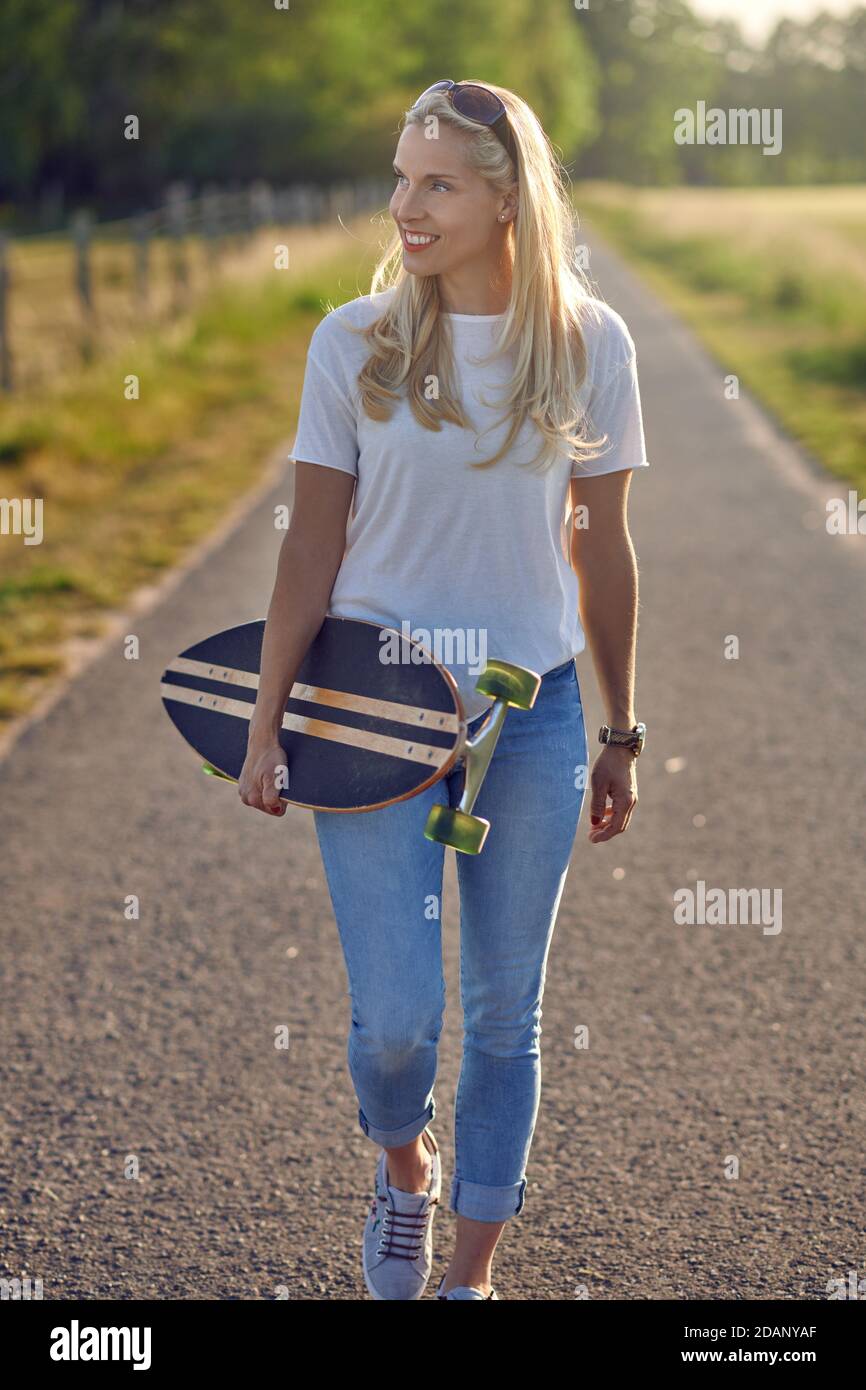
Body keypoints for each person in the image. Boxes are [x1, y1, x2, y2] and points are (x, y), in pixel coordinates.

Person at [239, 79, 650, 1301]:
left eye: (436, 184)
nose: (401, 206)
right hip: (370, 714)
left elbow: (603, 546)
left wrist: (620, 730)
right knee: (397, 1022)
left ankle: (469, 1272)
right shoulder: (352, 341)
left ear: (506, 197)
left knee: (505, 1017)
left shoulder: (589, 343)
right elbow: (308, 548)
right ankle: (400, 1166)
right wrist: (264, 723)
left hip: (533, 717)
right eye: (400, 178)